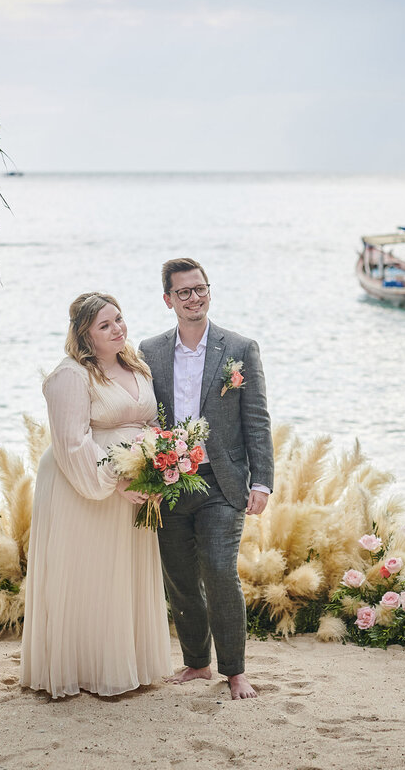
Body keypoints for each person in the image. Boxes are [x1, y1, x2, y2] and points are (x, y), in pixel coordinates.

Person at [20, 292, 171, 698]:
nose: (118, 328)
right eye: (105, 325)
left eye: (119, 319)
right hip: (84, 489)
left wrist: (157, 468)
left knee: (120, 575)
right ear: (84, 336)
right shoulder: (71, 375)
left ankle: (126, 666)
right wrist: (117, 482)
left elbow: (152, 422)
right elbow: (72, 443)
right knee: (89, 574)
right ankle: (85, 670)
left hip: (134, 485)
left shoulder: (135, 363)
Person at [139, 258, 274, 700]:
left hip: (223, 482)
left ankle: (234, 670)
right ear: (168, 300)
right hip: (169, 481)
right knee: (178, 576)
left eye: (201, 289)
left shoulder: (240, 348)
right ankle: (197, 662)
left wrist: (262, 482)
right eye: (184, 292)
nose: (194, 297)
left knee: (218, 571)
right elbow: (141, 416)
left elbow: (257, 420)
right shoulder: (150, 351)